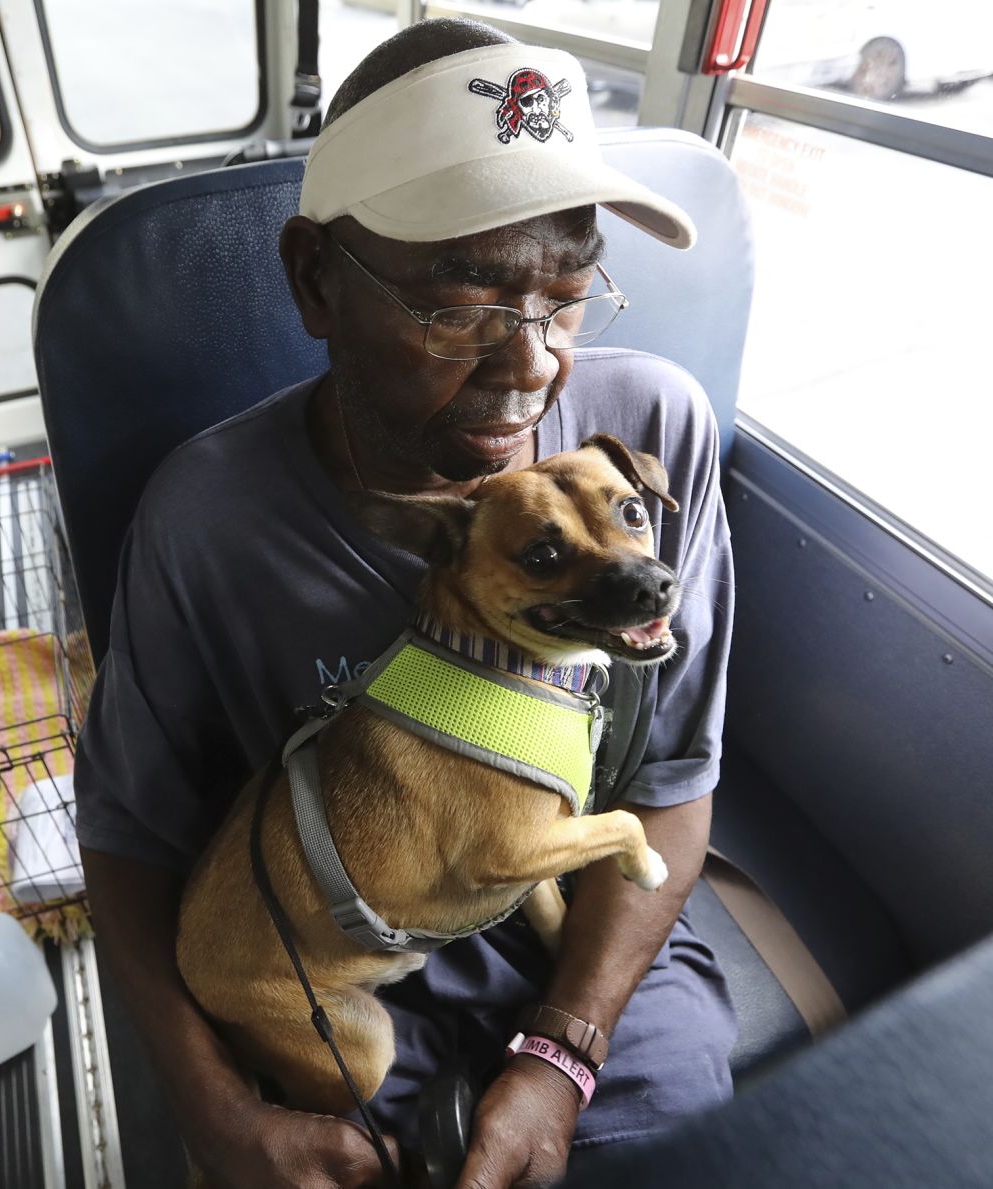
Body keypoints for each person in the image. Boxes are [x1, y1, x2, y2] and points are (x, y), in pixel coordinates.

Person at [73, 17, 737, 1189]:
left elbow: (674, 780)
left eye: (568, 296)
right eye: (457, 305)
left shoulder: (652, 438)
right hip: (338, 963)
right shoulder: (207, 518)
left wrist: (562, 1053)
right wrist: (212, 1108)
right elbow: (131, 836)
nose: (531, 364)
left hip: (580, 935)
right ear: (317, 280)